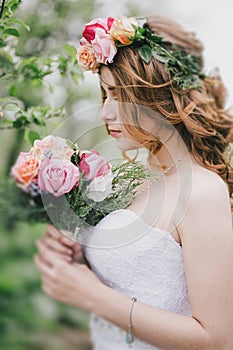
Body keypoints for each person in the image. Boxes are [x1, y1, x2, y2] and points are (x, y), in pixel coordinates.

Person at [34, 15, 233, 349]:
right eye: (105, 94)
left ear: (160, 98)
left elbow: (217, 338)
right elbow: (145, 281)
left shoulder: (202, 191)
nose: (105, 113)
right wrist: (82, 257)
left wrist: (93, 296)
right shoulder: (146, 180)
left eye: (118, 96)